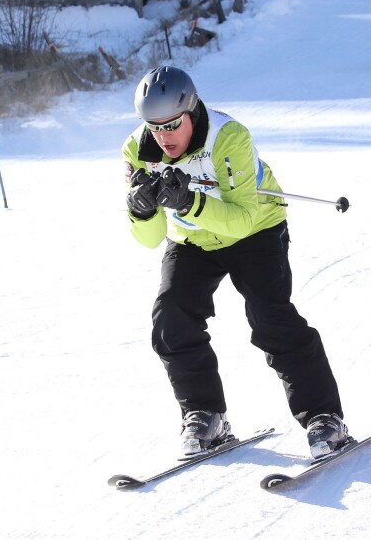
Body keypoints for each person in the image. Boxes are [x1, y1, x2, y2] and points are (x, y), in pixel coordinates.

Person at [122, 65, 348, 459]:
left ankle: (325, 417)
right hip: (193, 237)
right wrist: (141, 212)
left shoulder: (229, 136)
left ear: (190, 111)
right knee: (171, 315)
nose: (163, 136)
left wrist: (190, 201)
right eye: (153, 127)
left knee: (270, 317)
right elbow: (151, 239)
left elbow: (242, 219)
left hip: (257, 228)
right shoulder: (137, 151)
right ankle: (205, 414)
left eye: (172, 125)